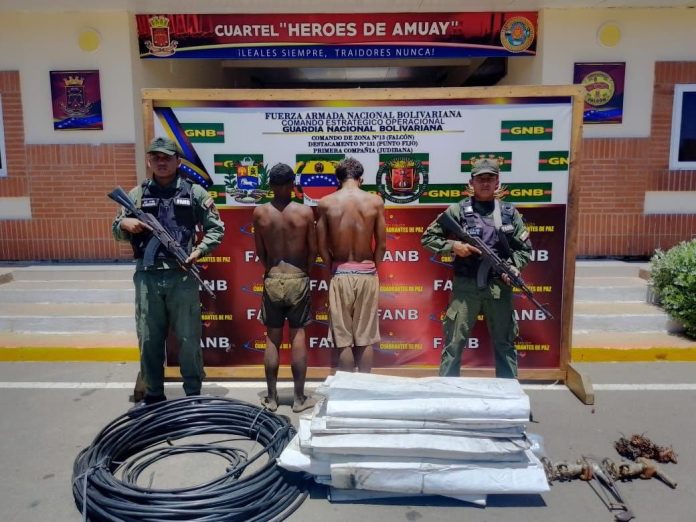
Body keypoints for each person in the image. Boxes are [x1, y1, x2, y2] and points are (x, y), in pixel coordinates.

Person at [112, 136, 225, 405]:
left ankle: (192, 394)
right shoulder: (137, 195)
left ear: (178, 161)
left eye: (167, 157)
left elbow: (216, 229)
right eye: (156, 157)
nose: (161, 162)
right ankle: (153, 395)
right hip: (148, 275)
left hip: (181, 275)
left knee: (188, 338)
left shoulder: (195, 192)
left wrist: (198, 252)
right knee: (149, 338)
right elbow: (116, 229)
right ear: (149, 160)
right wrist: (125, 225)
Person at [421, 157, 532, 379]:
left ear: (497, 182)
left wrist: (514, 267)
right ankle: (447, 392)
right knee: (454, 344)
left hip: (499, 288)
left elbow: (524, 249)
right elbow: (428, 238)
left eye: (490, 178)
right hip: (466, 289)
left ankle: (507, 394)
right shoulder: (458, 210)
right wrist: (454, 246)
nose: (485, 183)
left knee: (505, 344)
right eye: (481, 179)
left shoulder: (509, 213)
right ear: (471, 182)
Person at [252, 163, 317, 413]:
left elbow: (260, 252)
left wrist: (272, 270)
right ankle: (299, 399)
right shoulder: (305, 212)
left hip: (273, 276)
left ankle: (271, 398)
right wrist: (304, 272)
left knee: (272, 338)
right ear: (292, 184)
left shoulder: (260, 212)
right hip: (298, 276)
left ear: (270, 184)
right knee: (298, 335)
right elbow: (312, 250)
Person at [316, 157, 386, 373]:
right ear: (360, 179)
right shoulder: (375, 201)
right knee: (365, 338)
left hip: (340, 271)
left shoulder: (326, 203)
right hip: (367, 272)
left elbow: (321, 246)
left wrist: (333, 267)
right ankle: (363, 390)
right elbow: (381, 245)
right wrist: (372, 268)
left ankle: (345, 390)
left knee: (343, 339)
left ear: (338, 179)